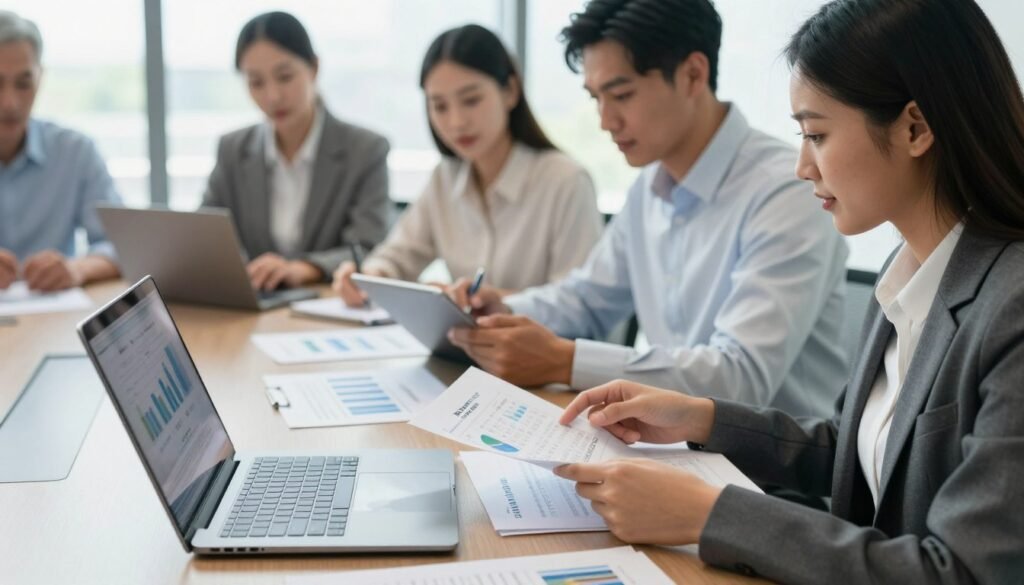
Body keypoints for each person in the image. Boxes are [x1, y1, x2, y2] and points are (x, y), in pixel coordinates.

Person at [555, 0, 1024, 582]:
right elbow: (856, 453)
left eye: (817, 135)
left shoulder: (1012, 306)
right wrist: (699, 419)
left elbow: (963, 573)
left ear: (915, 127)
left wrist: (709, 514)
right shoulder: (908, 275)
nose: (802, 166)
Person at [448, 0, 848, 418]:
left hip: (767, 473)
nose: (605, 120)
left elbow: (740, 377)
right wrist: (503, 311)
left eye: (621, 95)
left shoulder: (787, 188)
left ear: (694, 74)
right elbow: (587, 298)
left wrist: (564, 361)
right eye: (596, 98)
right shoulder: (648, 188)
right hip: (667, 447)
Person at [332, 24, 602, 306]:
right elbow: (400, 255)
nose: (456, 121)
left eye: (471, 100)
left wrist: (493, 300)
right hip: (461, 348)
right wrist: (369, 276)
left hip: (536, 349)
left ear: (510, 91)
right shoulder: (445, 177)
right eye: (440, 106)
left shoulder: (565, 181)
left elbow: (579, 305)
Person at [203, 11, 390, 291]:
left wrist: (304, 269)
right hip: (254, 308)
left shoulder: (365, 150)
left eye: (285, 76)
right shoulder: (232, 149)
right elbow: (206, 236)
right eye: (256, 82)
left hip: (329, 306)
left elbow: (368, 247)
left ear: (314, 68)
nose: (273, 96)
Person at [0, 10, 121, 292]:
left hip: (54, 322)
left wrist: (76, 268)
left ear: (41, 78)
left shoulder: (75, 152)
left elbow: (120, 244)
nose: (10, 103)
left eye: (23, 83)